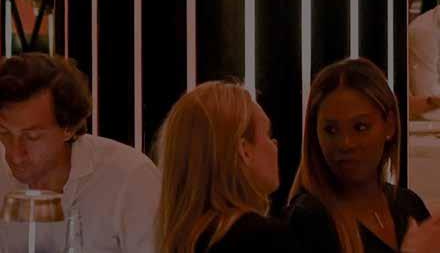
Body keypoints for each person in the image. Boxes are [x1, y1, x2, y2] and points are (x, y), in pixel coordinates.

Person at [0, 53, 160, 252]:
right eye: (4, 132)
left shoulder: (131, 178)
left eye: (32, 137)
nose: (15, 155)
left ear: (69, 128)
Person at [285, 57, 430, 253]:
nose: (346, 143)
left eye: (360, 127)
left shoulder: (409, 206)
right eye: (331, 130)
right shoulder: (309, 219)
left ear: (389, 125)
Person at [155, 80, 294, 253]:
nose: (275, 144)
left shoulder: (179, 243)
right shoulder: (266, 239)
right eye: (267, 134)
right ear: (244, 150)